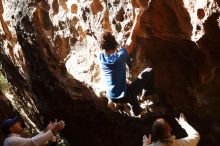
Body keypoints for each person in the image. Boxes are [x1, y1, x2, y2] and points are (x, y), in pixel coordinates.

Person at [98, 7, 156, 116]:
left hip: (111, 95)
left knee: (129, 87)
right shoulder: (119, 57)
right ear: (114, 44)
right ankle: (147, 94)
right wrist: (137, 16)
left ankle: (137, 110)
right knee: (149, 71)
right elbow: (132, 37)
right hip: (124, 95)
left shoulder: (100, 57)